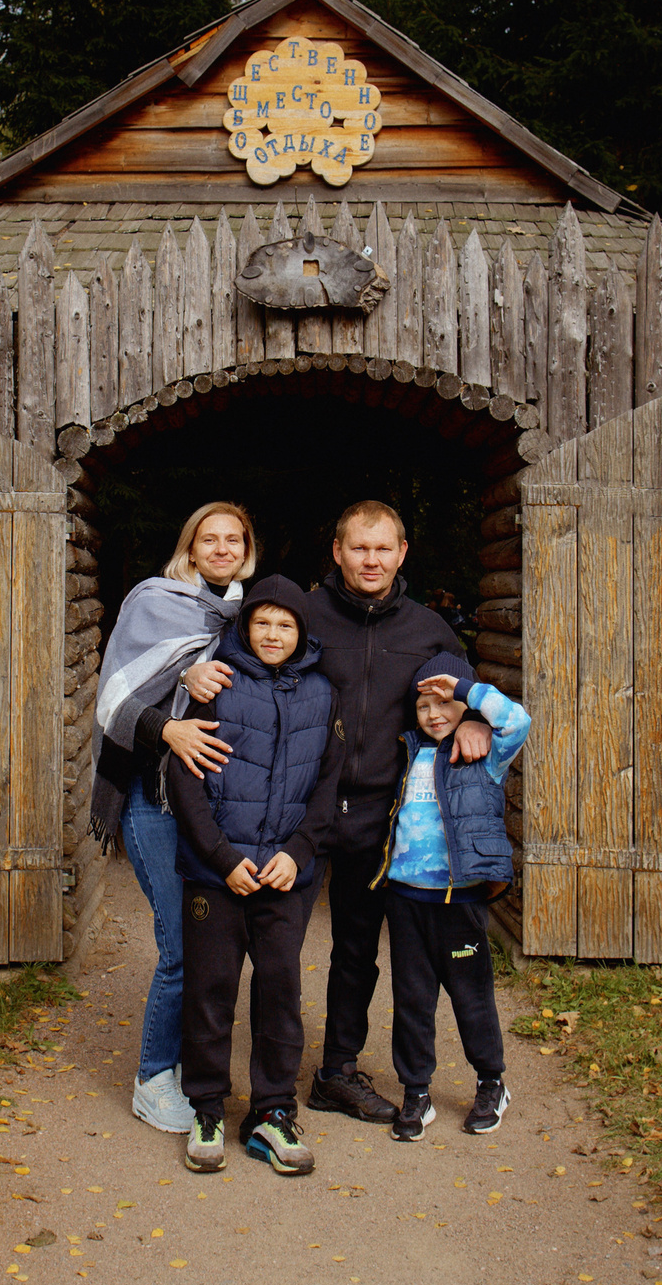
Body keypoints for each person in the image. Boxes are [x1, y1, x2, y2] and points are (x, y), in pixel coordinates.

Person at [232, 500, 487, 1124]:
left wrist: (474, 717)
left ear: (401, 554)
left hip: (379, 813)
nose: (370, 560)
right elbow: (250, 659)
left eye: (383, 549)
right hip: (297, 809)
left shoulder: (427, 627)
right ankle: (269, 1083)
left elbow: (453, 681)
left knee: (355, 947)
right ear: (338, 553)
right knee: (276, 944)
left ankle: (337, 1070)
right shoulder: (306, 616)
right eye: (358, 548)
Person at [164, 576, 344, 1175]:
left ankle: (271, 1112)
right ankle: (208, 1108)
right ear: (246, 627)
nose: (273, 634)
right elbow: (183, 777)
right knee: (211, 992)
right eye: (263, 622)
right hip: (218, 874)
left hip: (284, 875)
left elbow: (327, 786)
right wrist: (220, 859)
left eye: (285, 625)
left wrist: (297, 851)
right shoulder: (217, 684)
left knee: (280, 993)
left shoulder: (323, 694)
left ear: (301, 633)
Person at [89, 501, 256, 1134]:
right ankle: (153, 1078)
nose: (220, 548)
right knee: (179, 944)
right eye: (207, 539)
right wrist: (171, 727)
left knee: (209, 937)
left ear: (246, 550)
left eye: (232, 539)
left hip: (209, 804)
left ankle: (186, 1065)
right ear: (188, 551)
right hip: (151, 800)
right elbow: (114, 698)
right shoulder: (155, 602)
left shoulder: (243, 619)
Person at [375, 651, 529, 1140]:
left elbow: (518, 720)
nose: (435, 713)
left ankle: (491, 1082)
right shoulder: (407, 750)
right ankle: (416, 1092)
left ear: (465, 706)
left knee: (471, 996)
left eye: (446, 703)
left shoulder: (485, 753)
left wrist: (470, 699)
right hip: (406, 899)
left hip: (457, 902)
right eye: (425, 706)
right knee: (412, 999)